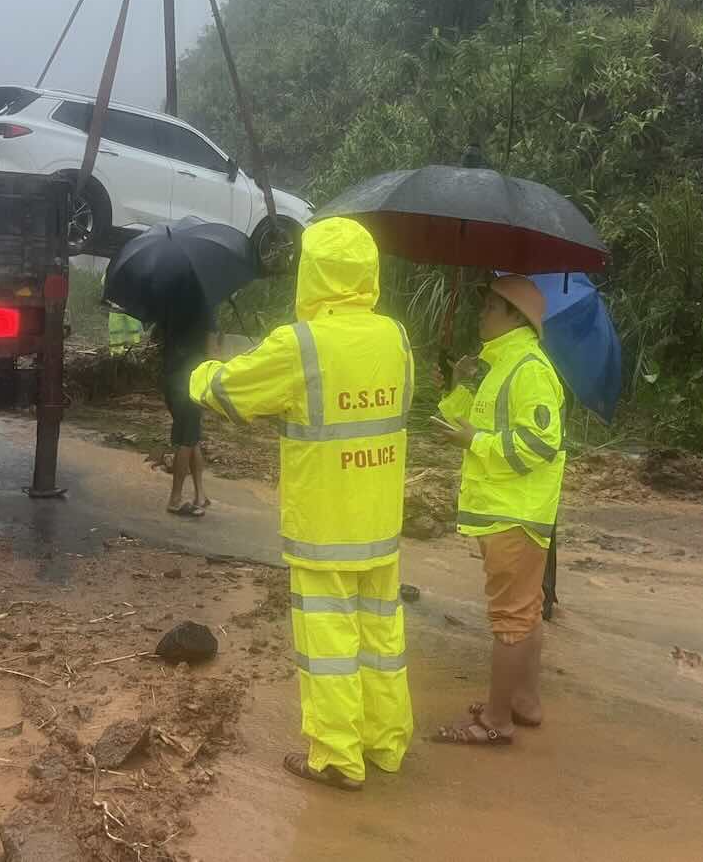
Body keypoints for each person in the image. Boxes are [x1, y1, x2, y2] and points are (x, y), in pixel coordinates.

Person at [190, 217, 414, 792]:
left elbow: (229, 392)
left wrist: (202, 371)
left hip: (325, 525)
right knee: (381, 639)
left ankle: (337, 757)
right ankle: (386, 743)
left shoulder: (302, 343)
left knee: (330, 645)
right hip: (379, 519)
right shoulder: (395, 337)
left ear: (312, 273)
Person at [433, 275, 565, 747]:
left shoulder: (528, 368)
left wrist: (478, 442)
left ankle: (496, 720)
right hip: (504, 510)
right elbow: (460, 423)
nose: (481, 314)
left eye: (490, 306)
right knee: (525, 611)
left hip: (514, 512)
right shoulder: (500, 365)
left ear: (515, 316)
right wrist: (457, 383)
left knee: (509, 619)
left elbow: (541, 443)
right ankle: (523, 702)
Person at [158, 280, 218, 517]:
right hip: (193, 381)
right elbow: (212, 352)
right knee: (187, 439)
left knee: (192, 437)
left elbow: (159, 339)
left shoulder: (168, 302)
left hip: (171, 378)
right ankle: (175, 499)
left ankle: (200, 494)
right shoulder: (206, 305)